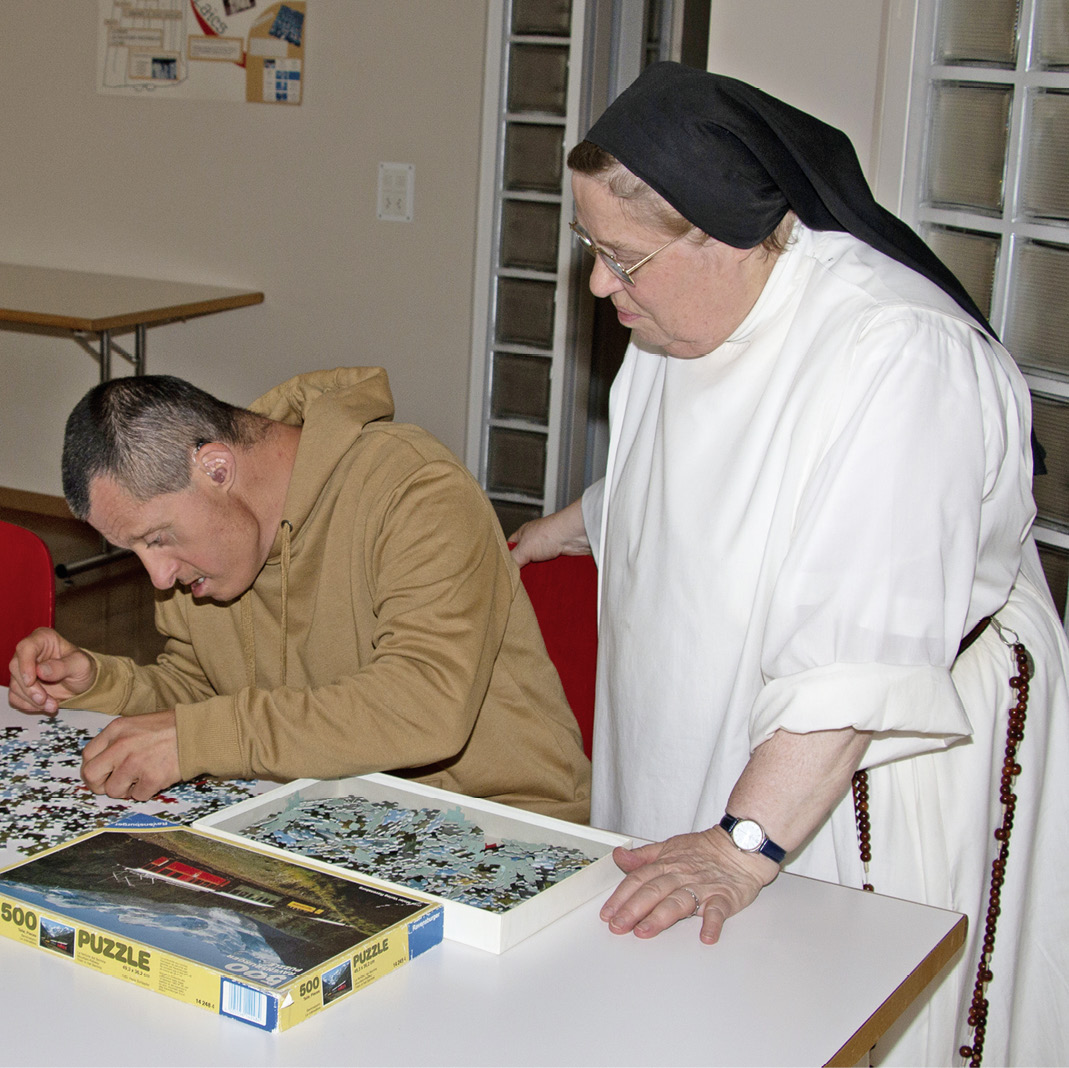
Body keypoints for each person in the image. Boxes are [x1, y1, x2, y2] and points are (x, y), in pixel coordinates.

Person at [509, 62, 1069, 1065]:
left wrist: (744, 847)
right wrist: (575, 523)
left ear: (727, 234)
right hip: (707, 711)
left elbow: (853, 662)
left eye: (620, 257)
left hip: (865, 754)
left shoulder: (898, 357)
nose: (598, 284)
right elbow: (696, 474)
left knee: (820, 1003)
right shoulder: (675, 312)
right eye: (592, 248)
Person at [8, 367, 591, 824]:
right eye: (135, 550)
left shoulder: (416, 489)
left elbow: (426, 705)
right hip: (329, 819)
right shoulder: (203, 563)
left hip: (506, 825)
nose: (158, 576)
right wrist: (102, 683)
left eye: (157, 538)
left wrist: (199, 738)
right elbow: (203, 692)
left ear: (216, 469)